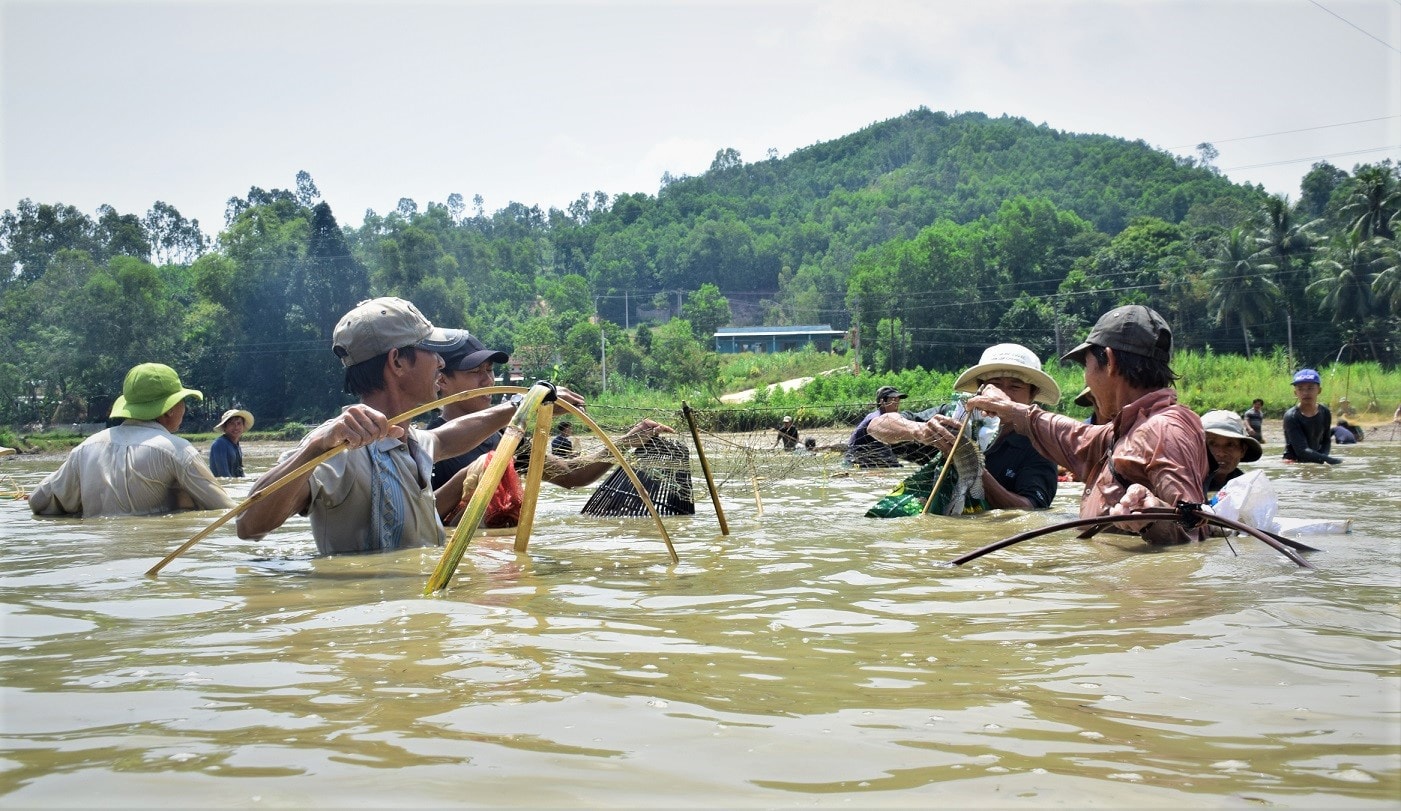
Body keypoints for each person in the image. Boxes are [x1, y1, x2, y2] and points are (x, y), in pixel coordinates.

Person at [235, 298, 578, 555]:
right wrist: (315, 447)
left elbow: (448, 438)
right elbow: (249, 525)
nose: (441, 363)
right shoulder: (339, 448)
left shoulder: (409, 440)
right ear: (398, 361)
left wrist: (523, 406)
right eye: (431, 351)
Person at [969, 305, 1208, 546]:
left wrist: (1154, 517)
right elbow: (1075, 437)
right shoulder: (1129, 429)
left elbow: (1191, 532)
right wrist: (1012, 410)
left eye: (1087, 366)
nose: (1087, 378)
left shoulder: (1164, 430)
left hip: (1139, 584)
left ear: (1110, 361)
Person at [425, 328, 671, 524]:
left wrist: (627, 441)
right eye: (475, 371)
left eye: (489, 370)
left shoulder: (507, 437)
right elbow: (420, 517)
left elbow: (570, 474)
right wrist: (477, 471)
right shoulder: (429, 443)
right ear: (442, 380)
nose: (487, 380)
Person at [866, 344, 1060, 514]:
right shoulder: (953, 418)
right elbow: (876, 426)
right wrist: (919, 430)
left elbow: (1031, 510)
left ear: (1032, 395)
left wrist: (971, 464)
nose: (1002, 395)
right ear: (980, 390)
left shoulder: (1041, 444)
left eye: (1015, 387)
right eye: (995, 385)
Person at [30, 363, 235, 517]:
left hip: (96, 563)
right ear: (170, 409)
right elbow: (228, 512)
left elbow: (37, 501)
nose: (185, 408)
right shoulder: (178, 450)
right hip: (152, 555)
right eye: (182, 401)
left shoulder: (84, 449)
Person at [1282, 368, 1341, 464]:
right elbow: (1302, 451)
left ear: (1319, 390)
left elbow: (1326, 440)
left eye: (1310, 388)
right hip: (1294, 462)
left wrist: (1323, 458)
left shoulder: (1325, 412)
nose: (1305, 393)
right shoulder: (1291, 416)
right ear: (1295, 393)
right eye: (1300, 389)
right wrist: (1333, 461)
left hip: (1316, 458)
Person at [1201, 409, 1262, 496]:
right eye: (1212, 444)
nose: (1221, 453)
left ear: (1242, 450)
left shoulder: (1247, 487)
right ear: (1197, 449)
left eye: (1230, 444)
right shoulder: (1185, 485)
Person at [845, 386, 909, 467]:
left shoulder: (885, 417)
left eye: (898, 400)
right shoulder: (877, 418)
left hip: (871, 456)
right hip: (857, 460)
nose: (896, 403)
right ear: (882, 402)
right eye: (893, 400)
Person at [209, 408, 253, 477]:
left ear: (243, 426)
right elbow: (224, 475)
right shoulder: (220, 444)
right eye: (231, 423)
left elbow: (240, 472)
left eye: (239, 423)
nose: (236, 427)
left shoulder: (236, 445)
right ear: (224, 427)